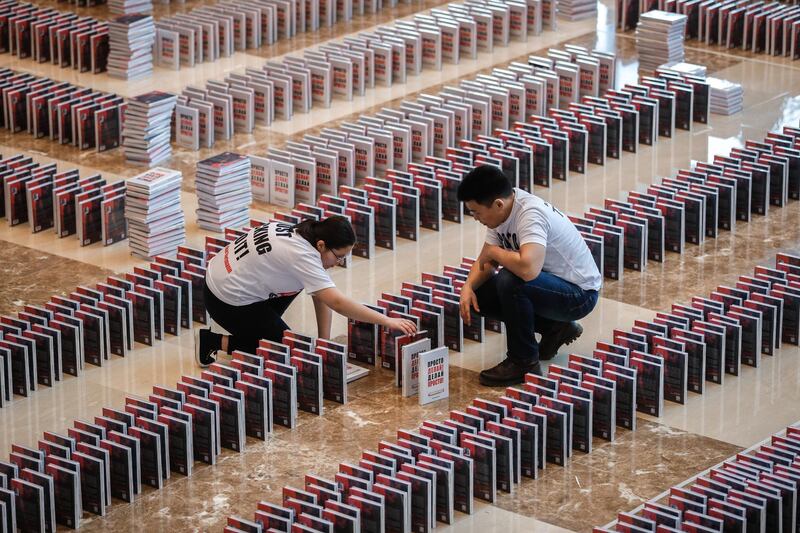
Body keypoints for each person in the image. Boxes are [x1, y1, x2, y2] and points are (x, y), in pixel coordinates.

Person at [195, 215, 416, 367]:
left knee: (306, 296)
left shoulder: (300, 234)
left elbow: (322, 294)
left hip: (225, 279)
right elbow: (337, 303)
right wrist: (388, 321)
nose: (338, 263)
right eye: (338, 257)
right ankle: (211, 341)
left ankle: (259, 328)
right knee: (288, 352)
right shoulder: (302, 256)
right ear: (321, 245)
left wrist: (324, 342)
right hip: (225, 301)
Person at [457, 165, 602, 386]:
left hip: (580, 295)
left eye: (477, 212)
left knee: (511, 280)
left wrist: (495, 252)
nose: (475, 218)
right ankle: (555, 327)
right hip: (552, 287)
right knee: (481, 294)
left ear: (497, 204)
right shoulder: (500, 214)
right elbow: (486, 262)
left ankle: (523, 362)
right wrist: (467, 287)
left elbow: (528, 269)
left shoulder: (530, 214)